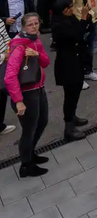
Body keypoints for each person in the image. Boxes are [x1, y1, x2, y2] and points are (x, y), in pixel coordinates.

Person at [3, 12, 51, 177]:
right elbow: (9, 77)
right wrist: (18, 101)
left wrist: (37, 54)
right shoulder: (19, 46)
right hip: (26, 94)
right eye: (31, 24)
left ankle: (30, 153)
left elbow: (45, 62)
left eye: (37, 23)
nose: (35, 26)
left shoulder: (35, 41)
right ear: (23, 27)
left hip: (39, 88)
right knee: (29, 129)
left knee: (42, 121)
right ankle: (26, 165)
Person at [49, 0, 88, 142]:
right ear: (64, 9)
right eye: (70, 7)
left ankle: (73, 116)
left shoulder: (70, 18)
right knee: (70, 95)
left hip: (76, 60)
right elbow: (76, 35)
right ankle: (68, 128)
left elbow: (80, 29)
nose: (72, 9)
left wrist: (85, 18)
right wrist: (83, 18)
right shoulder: (58, 25)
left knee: (76, 91)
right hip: (67, 64)